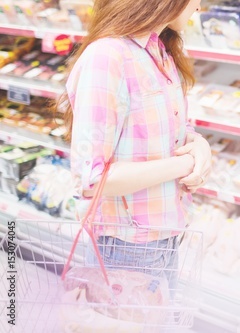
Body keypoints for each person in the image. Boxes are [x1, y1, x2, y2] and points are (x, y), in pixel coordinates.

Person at [59, 0, 210, 290]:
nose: (199, 6)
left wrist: (199, 145)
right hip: (125, 247)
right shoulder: (107, 57)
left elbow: (175, 130)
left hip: (165, 235)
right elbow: (90, 178)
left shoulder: (160, 51)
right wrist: (184, 164)